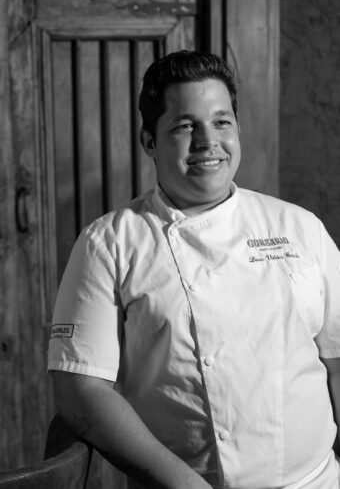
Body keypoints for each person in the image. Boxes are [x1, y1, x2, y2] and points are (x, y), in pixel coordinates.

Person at [47, 50, 340, 489]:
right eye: (185, 126)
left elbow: (337, 361)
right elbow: (79, 390)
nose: (208, 142)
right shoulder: (108, 243)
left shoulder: (298, 227)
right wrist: (185, 485)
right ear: (149, 141)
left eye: (221, 122)